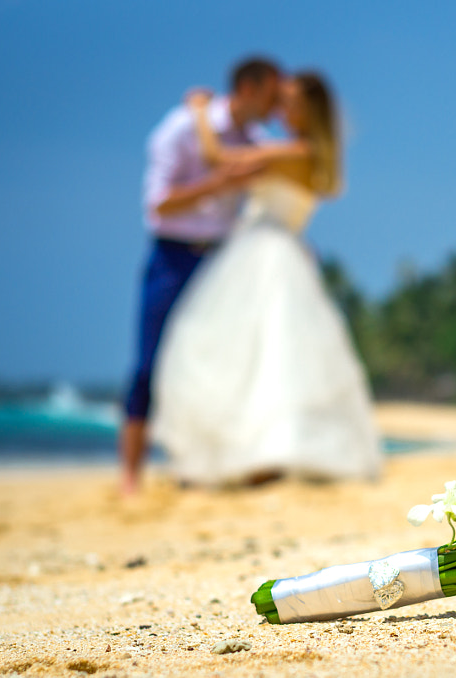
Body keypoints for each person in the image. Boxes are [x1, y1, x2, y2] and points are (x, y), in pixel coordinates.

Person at [149, 71, 382, 486]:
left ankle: (259, 456)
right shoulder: (306, 153)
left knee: (248, 357)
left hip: (262, 251)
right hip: (278, 251)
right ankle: (253, 454)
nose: (281, 109)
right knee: (267, 357)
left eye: (290, 102)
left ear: (307, 110)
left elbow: (216, 158)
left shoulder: (293, 150)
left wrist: (200, 112)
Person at [119, 57, 283, 495]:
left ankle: (202, 466)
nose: (276, 104)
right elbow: (158, 205)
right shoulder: (179, 129)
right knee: (149, 363)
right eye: (271, 94)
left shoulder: (256, 140)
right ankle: (130, 475)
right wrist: (218, 184)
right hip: (173, 255)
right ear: (249, 89)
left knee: (221, 367)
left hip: (225, 260)